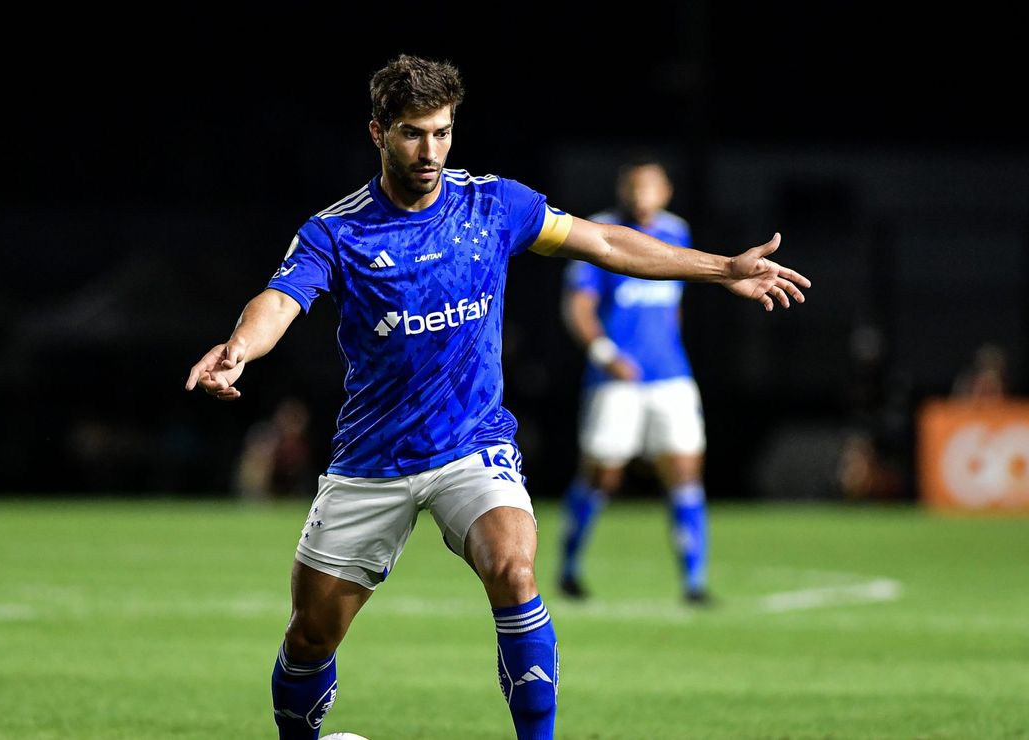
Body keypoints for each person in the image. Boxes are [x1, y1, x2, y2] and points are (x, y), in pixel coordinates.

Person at [185, 54, 809, 740]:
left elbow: (601, 241)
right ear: (378, 133)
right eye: (413, 134)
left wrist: (722, 269)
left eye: (443, 133)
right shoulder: (340, 231)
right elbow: (279, 301)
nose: (430, 151)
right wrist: (240, 347)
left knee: (513, 569)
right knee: (311, 635)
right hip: (371, 459)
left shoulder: (494, 206)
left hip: (472, 445)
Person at [556, 156, 712, 605]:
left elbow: (673, 304)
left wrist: (671, 349)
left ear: (666, 193)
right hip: (617, 380)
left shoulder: (677, 232)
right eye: (634, 186)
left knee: (685, 471)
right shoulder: (600, 233)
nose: (641, 195)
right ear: (622, 189)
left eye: (650, 187)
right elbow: (579, 306)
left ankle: (694, 583)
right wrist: (606, 355)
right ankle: (568, 568)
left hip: (670, 376)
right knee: (603, 474)